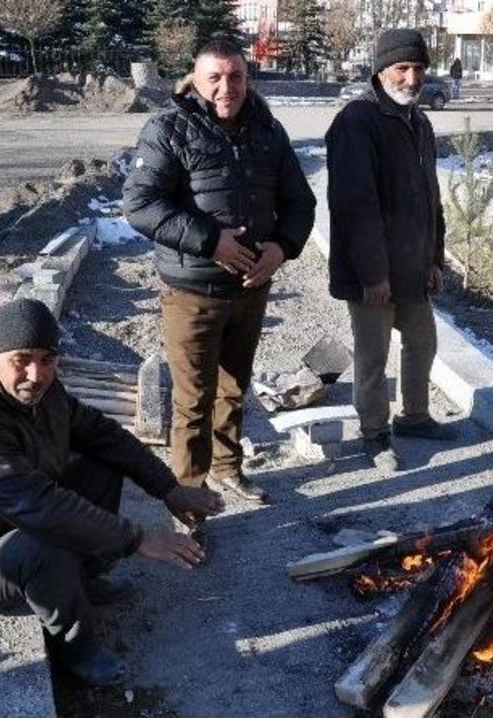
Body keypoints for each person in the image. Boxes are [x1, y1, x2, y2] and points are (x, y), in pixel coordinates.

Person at [0, 298, 225, 686]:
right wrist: (137, 538)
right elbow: (39, 507)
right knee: (44, 545)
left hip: (6, 520)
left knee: (101, 465)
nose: (36, 374)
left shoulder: (47, 393)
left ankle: (83, 578)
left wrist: (168, 488)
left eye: (47, 358)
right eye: (21, 359)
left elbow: (103, 434)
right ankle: (77, 649)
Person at [124, 40, 316, 503]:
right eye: (215, 78)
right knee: (193, 400)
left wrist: (282, 248)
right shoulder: (168, 130)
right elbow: (141, 204)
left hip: (251, 289)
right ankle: (188, 501)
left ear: (247, 79)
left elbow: (300, 202)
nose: (225, 88)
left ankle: (226, 468)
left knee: (234, 388)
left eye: (235, 77)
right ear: (195, 79)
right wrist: (211, 241)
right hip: (192, 292)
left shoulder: (268, 131)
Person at [325, 29, 457, 472]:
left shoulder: (418, 121)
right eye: (402, 68)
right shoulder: (356, 122)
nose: (412, 77)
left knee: (422, 342)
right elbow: (354, 207)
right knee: (373, 357)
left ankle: (414, 417)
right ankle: (374, 433)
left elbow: (430, 198)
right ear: (381, 71)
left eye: (419, 68)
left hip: (413, 267)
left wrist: (435, 258)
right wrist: (372, 275)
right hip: (373, 274)